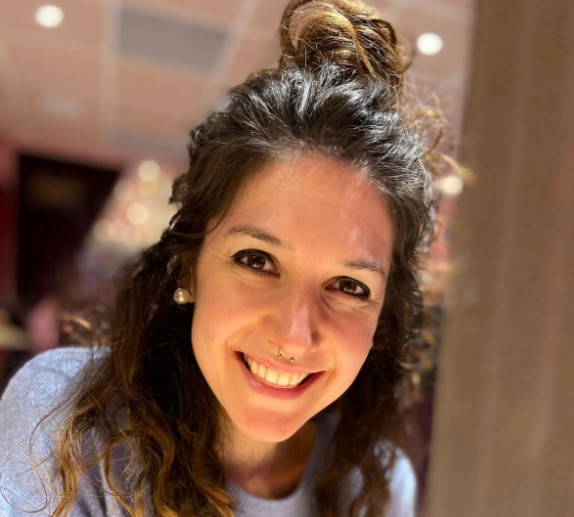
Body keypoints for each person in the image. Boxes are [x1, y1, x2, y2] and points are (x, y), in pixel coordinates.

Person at [0, 0, 453, 515]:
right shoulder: (67, 421)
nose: (293, 336)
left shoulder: (376, 485)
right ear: (189, 266)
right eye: (257, 260)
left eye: (350, 286)